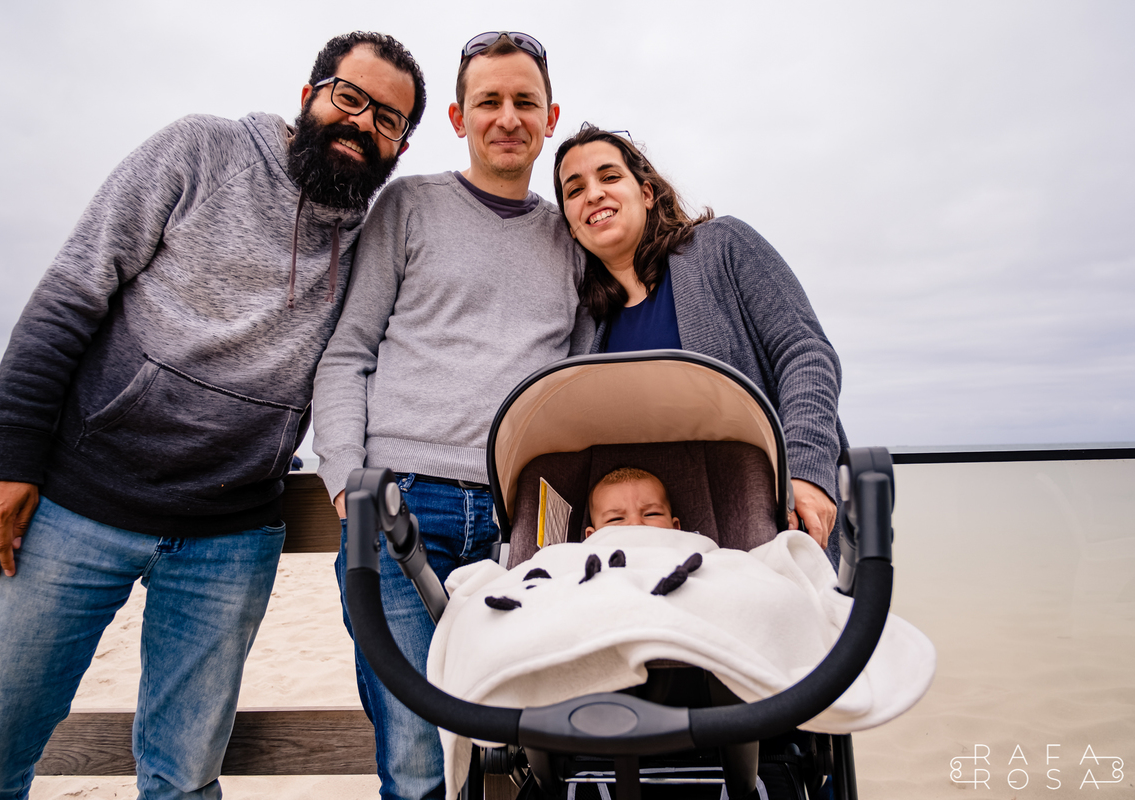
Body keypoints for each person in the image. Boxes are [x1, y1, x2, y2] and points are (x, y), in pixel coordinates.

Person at [0, 32, 425, 800]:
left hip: (231, 538)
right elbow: (70, 294)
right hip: (76, 507)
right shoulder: (201, 150)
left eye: (389, 119)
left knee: (184, 783)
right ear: (310, 96)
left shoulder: (378, 235)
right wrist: (7, 454)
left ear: (400, 145)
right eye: (350, 97)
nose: (363, 123)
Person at [314, 31, 591, 800]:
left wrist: (560, 514)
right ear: (459, 118)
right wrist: (347, 482)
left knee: (531, 743)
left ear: (550, 117)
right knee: (415, 758)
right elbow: (346, 353)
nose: (508, 116)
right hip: (401, 506)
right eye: (488, 101)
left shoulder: (571, 236)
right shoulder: (407, 206)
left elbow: (578, 395)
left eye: (525, 101)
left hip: (527, 518)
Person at [553, 125, 848, 556]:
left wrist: (806, 471)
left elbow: (805, 353)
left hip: (760, 521)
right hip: (637, 554)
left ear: (647, 193)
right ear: (571, 225)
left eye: (609, 177)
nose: (594, 194)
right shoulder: (586, 324)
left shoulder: (722, 247)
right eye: (575, 190)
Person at [584, 467, 681, 536]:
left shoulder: (687, 546)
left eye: (652, 514)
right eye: (615, 519)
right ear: (592, 537)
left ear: (675, 527)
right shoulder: (585, 556)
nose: (636, 523)